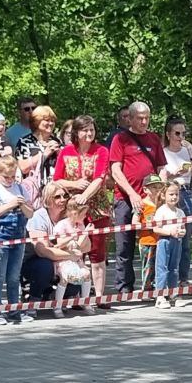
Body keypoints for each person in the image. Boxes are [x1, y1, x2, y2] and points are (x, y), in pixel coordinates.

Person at [54, 116, 112, 306]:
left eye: (92, 130)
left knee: (97, 251)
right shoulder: (66, 152)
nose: (89, 134)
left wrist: (84, 196)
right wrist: (74, 185)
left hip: (97, 209)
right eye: (85, 130)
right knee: (74, 250)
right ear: (76, 133)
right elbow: (57, 179)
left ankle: (99, 296)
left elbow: (99, 178)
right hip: (71, 211)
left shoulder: (101, 151)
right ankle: (77, 297)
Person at [108, 102, 166, 293]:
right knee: (124, 245)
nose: (143, 122)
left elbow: (161, 168)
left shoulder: (153, 139)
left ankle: (152, 284)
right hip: (125, 199)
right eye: (139, 118)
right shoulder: (120, 139)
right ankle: (124, 287)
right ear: (130, 118)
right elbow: (115, 169)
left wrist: (162, 192)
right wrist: (132, 194)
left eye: (146, 118)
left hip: (151, 200)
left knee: (153, 242)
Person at [0, 155, 33, 325]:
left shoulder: (19, 188)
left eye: (13, 176)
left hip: (19, 236)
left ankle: (14, 310)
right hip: (0, 236)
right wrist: (9, 205)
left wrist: (22, 205)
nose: (10, 180)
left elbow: (30, 214)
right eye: (6, 176)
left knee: (13, 276)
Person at [160, 117, 192, 283]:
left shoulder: (187, 152)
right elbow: (161, 178)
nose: (181, 137)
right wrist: (172, 174)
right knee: (170, 236)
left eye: (183, 133)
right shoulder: (164, 152)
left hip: (186, 193)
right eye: (177, 133)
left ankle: (183, 278)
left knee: (185, 238)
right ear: (169, 134)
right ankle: (168, 277)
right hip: (170, 192)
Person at [24, 181, 72, 304]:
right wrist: (71, 255)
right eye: (57, 197)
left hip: (60, 257)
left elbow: (86, 246)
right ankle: (34, 298)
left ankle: (55, 296)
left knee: (78, 272)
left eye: (65, 196)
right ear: (48, 200)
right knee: (44, 266)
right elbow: (42, 251)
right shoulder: (38, 217)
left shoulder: (70, 216)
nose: (63, 200)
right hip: (33, 261)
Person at [50, 200, 92, 317]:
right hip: (63, 258)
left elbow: (79, 245)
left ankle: (85, 302)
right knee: (65, 277)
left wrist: (85, 233)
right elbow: (58, 244)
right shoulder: (62, 225)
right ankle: (57, 306)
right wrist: (71, 236)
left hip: (76, 259)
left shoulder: (80, 225)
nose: (85, 216)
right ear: (75, 213)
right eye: (83, 214)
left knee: (87, 274)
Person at [151, 182, 188, 308]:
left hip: (177, 242)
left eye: (176, 194)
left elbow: (183, 228)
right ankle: (160, 296)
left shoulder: (180, 212)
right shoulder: (161, 211)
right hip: (164, 241)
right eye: (171, 194)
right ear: (163, 195)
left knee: (174, 268)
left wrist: (182, 232)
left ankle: (173, 293)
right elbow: (156, 229)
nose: (174, 197)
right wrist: (169, 232)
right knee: (162, 268)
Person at [15, 105, 60, 190]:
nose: (50, 123)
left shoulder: (58, 141)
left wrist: (59, 153)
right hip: (33, 190)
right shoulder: (25, 142)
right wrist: (44, 154)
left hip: (54, 191)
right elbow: (23, 168)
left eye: (52, 120)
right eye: (47, 120)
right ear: (36, 121)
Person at [134, 174, 165, 292]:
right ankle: (146, 288)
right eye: (154, 187)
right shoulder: (141, 204)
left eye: (159, 187)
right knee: (148, 266)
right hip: (147, 241)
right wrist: (147, 225)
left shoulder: (162, 204)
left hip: (161, 239)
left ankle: (159, 287)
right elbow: (134, 222)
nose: (157, 190)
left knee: (160, 265)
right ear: (145, 189)